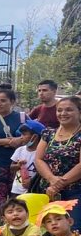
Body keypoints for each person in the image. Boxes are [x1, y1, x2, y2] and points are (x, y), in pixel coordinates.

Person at [33, 96, 81, 226]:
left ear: (79, 112)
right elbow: (38, 159)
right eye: (59, 110)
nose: (63, 113)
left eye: (69, 110)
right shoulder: (48, 133)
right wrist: (52, 179)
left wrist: (58, 184)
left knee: (74, 229)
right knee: (52, 229)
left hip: (75, 191)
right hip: (49, 190)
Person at [10, 120, 45, 195]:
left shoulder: (42, 153)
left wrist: (31, 181)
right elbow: (11, 167)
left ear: (34, 137)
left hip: (34, 190)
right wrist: (18, 165)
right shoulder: (20, 150)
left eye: (24, 135)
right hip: (17, 189)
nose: (21, 137)